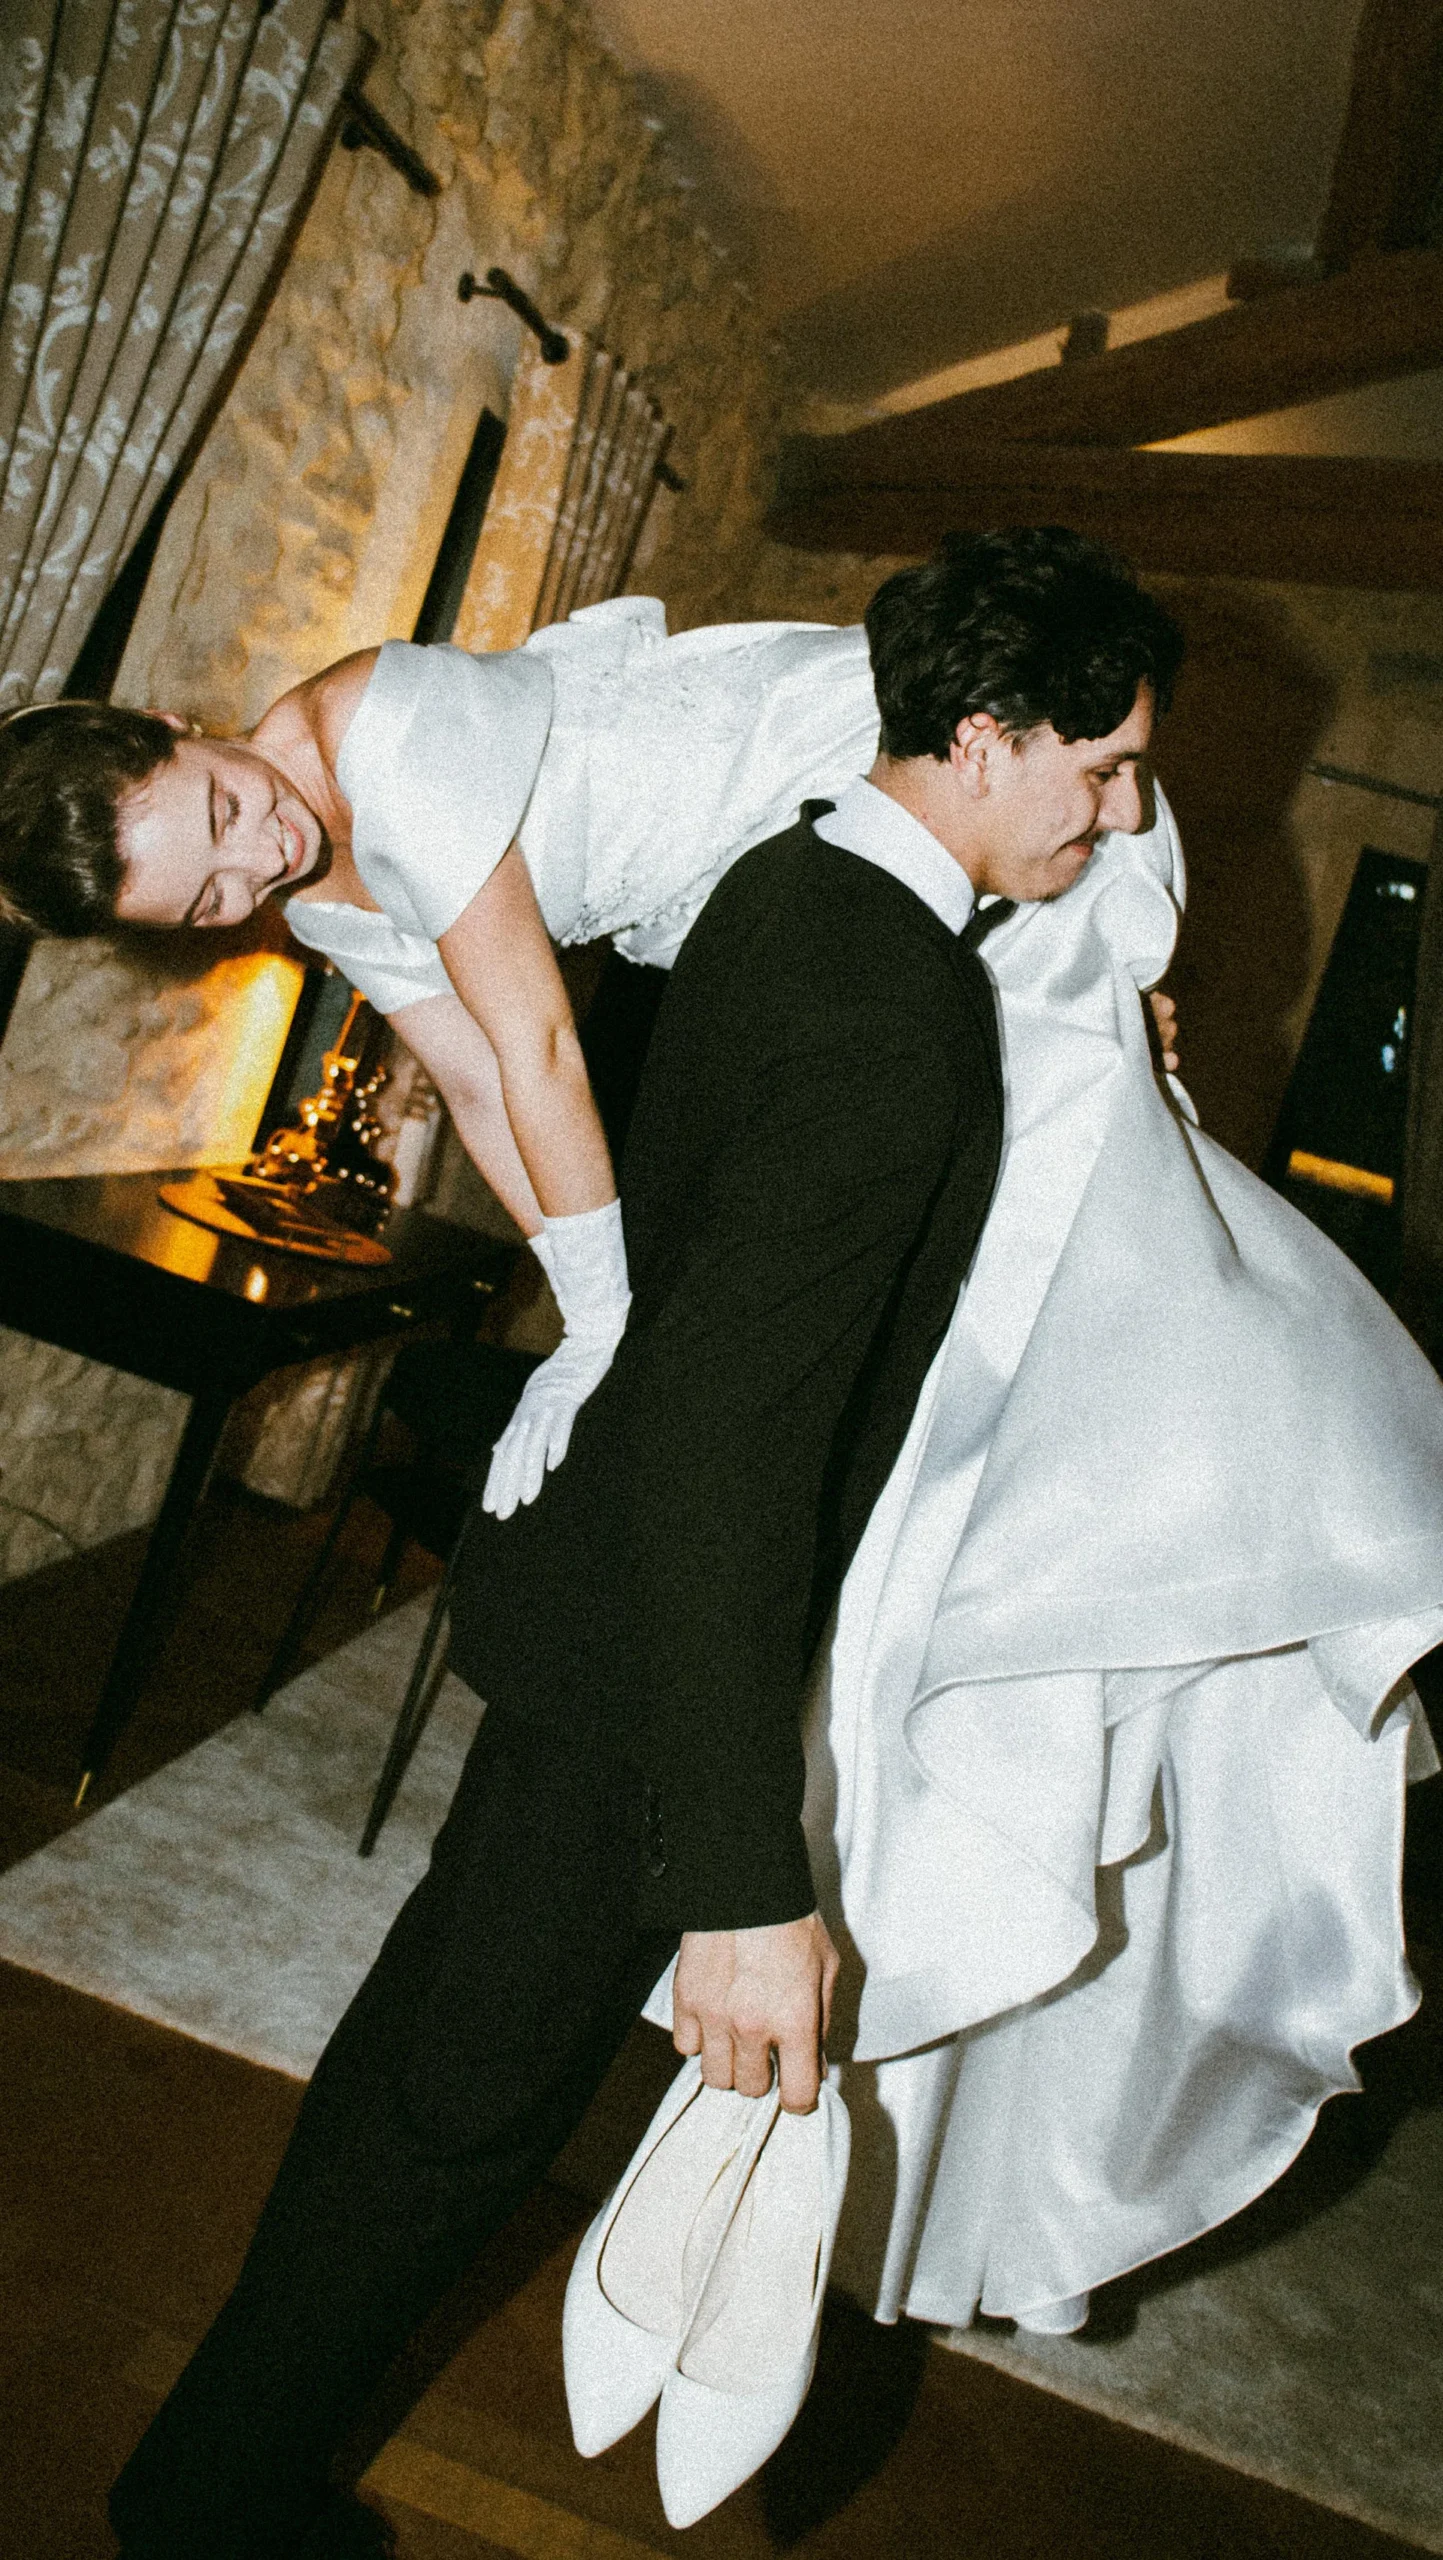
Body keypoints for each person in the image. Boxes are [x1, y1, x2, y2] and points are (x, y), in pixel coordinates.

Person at [99, 530, 1185, 2553]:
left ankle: (205, 2479)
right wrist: (742, 1874)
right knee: (450, 2113)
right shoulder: (884, 1010)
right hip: (648, 1647)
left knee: (427, 2075)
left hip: (602, 1602)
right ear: (985, 732)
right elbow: (724, 1443)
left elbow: (566, 1108)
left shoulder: (769, 899)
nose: (1120, 816)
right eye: (1102, 769)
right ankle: (209, 2507)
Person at [0, 582, 1177, 1518]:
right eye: (210, 901)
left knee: (1065, 1032)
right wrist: (581, 1310)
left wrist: (603, 1324)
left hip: (795, 762)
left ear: (172, 727)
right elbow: (470, 1080)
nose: (258, 860)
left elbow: (536, 1046)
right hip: (752, 884)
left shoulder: (378, 727)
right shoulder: (312, 901)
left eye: (218, 812)